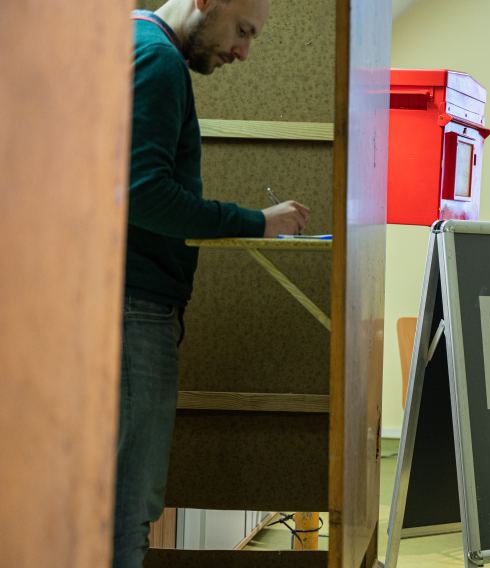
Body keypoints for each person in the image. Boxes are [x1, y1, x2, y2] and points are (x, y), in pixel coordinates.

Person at [115, 1, 308, 565]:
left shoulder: (125, 44)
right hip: (133, 309)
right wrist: (256, 222)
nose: (243, 51)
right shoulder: (158, 60)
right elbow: (143, 192)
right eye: (243, 30)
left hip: (112, 304)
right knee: (127, 508)